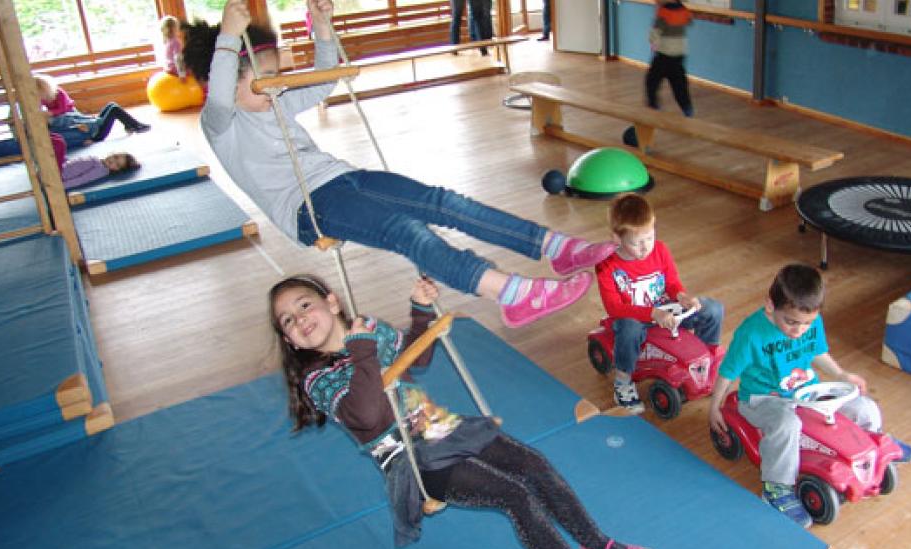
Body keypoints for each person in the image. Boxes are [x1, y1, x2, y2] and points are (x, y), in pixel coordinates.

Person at [182, 0, 616, 329]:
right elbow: (221, 94)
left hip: (342, 178)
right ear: (220, 79)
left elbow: (325, 78)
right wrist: (227, 36)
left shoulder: (274, 100)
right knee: (407, 232)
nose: (274, 89)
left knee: (442, 202)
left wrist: (326, 29)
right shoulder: (221, 122)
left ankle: (554, 248)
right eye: (261, 82)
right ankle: (510, 292)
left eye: (277, 78)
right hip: (306, 207)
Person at [270, 273, 653, 549]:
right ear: (289, 339)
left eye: (304, 304)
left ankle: (600, 547)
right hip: (413, 462)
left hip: (440, 429)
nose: (300, 318)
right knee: (515, 495)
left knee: (533, 465)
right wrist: (362, 350)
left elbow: (415, 357)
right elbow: (368, 414)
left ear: (332, 301)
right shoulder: (318, 379)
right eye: (288, 320)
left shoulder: (368, 329)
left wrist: (420, 311)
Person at [708, 264, 911, 528]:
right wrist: (714, 407)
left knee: (864, 407)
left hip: (808, 392)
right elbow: (728, 372)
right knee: (788, 423)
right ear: (771, 306)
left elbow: (817, 352)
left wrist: (841, 375)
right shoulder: (751, 333)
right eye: (791, 322)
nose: (799, 330)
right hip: (764, 399)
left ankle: (871, 447)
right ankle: (776, 488)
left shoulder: (812, 322)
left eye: (806, 324)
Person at [595, 193, 723, 414]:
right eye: (637, 243)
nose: (646, 247)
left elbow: (671, 282)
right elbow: (614, 308)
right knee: (630, 329)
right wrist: (652, 314)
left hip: (666, 309)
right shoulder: (606, 265)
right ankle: (623, 380)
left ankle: (705, 360)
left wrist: (682, 296)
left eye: (650, 237)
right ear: (617, 238)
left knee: (713, 308)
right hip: (635, 318)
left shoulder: (660, 250)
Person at [33, 73, 152, 147]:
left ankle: (131, 125)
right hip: (94, 134)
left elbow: (64, 109)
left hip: (77, 119)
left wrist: (50, 113)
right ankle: (135, 126)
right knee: (114, 109)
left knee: (111, 105)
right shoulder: (45, 103)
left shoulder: (58, 94)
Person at [645, 1, 693, 117]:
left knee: (651, 80)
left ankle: (653, 104)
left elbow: (655, 32)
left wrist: (653, 42)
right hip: (679, 54)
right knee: (679, 84)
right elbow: (689, 21)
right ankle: (687, 107)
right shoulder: (683, 9)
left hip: (665, 54)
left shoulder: (664, 12)